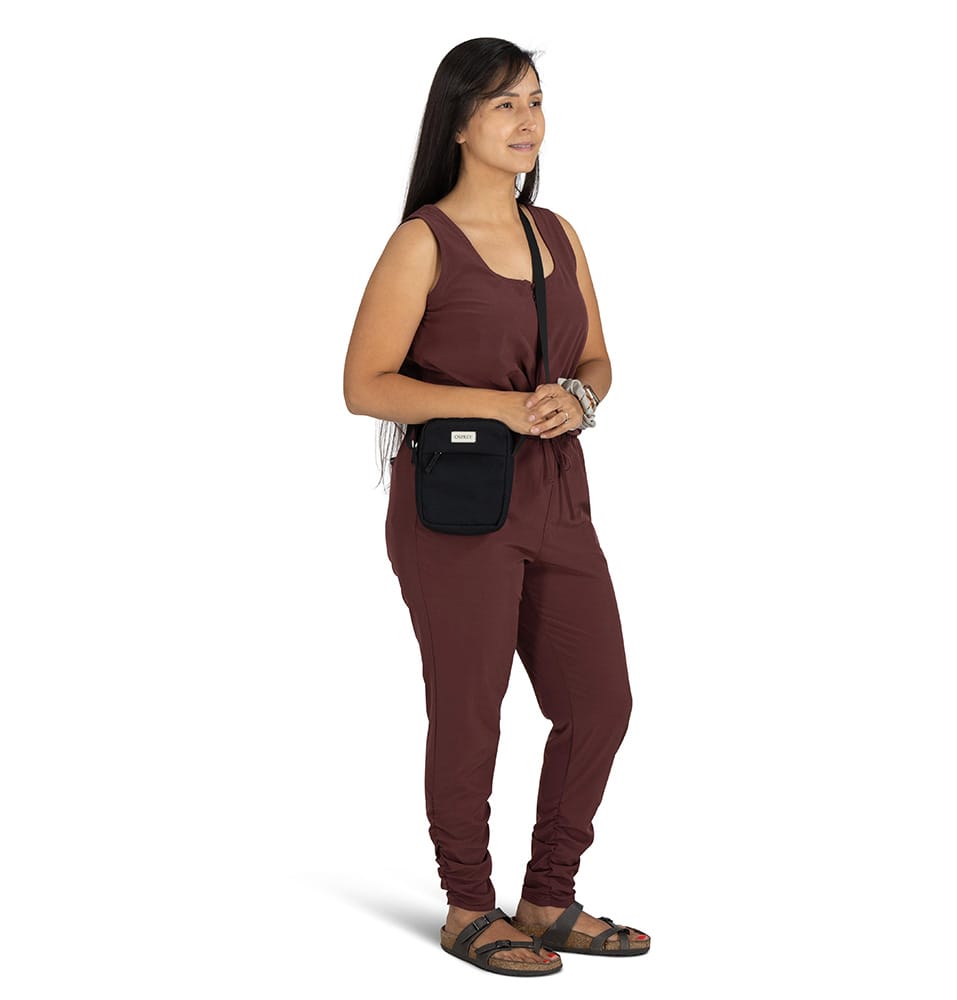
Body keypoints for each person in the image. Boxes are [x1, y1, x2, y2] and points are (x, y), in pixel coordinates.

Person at [343, 38, 649, 976]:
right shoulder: (422, 242)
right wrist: (501, 407)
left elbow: (598, 357)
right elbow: (365, 385)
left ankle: (548, 897)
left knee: (600, 700)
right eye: (505, 104)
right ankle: (468, 907)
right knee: (471, 711)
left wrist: (580, 398)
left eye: (537, 101)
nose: (528, 121)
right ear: (459, 123)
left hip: (558, 496)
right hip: (456, 507)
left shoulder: (556, 232)